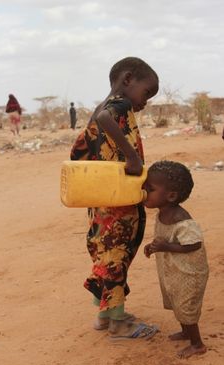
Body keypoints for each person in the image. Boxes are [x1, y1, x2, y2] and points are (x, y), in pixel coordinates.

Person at [70, 57, 159, 339]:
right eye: (147, 93)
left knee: (107, 255)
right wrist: (131, 158)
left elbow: (81, 149)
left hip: (102, 198)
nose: (145, 102)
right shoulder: (117, 107)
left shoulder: (100, 108)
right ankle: (119, 323)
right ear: (128, 79)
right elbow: (105, 120)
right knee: (117, 257)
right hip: (117, 202)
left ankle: (105, 315)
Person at [144, 160, 209, 358]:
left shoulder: (181, 218)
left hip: (189, 272)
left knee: (185, 305)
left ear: (171, 196)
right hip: (175, 270)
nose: (144, 192)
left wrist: (164, 247)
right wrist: (154, 246)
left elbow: (194, 244)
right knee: (176, 301)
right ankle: (186, 331)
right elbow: (164, 237)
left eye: (150, 189)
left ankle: (197, 344)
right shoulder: (163, 212)